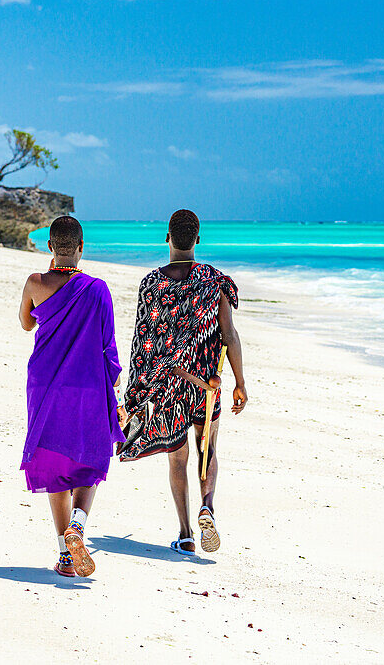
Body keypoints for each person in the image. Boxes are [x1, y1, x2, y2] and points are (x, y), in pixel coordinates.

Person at [118, 209, 247, 555]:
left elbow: (143, 345)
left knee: (178, 460)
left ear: (168, 239)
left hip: (169, 389)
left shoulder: (151, 284)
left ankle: (187, 533)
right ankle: (208, 506)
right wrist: (240, 382)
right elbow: (229, 334)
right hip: (206, 384)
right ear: (198, 240)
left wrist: (135, 394)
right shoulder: (215, 281)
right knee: (208, 450)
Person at [18, 215, 124, 577]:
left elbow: (26, 322)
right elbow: (108, 347)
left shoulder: (35, 281)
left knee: (54, 464)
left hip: (45, 383)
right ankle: (77, 524)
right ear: (81, 248)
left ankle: (65, 553)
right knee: (89, 459)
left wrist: (49, 279)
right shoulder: (98, 289)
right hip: (88, 385)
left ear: (50, 248)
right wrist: (115, 394)